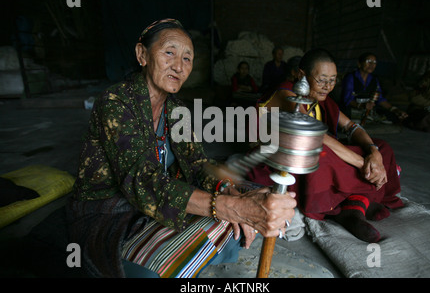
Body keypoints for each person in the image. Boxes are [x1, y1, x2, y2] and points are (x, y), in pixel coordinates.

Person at [66, 19, 296, 278]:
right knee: (154, 269)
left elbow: (197, 163)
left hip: (153, 208)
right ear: (142, 54)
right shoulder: (115, 103)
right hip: (112, 216)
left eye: (187, 58)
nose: (179, 65)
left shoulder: (177, 111)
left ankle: (189, 250)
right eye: (169, 53)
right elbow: (142, 181)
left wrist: (226, 190)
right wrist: (231, 207)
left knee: (243, 203)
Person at [248, 48, 404, 243]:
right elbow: (314, 134)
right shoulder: (285, 94)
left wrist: (374, 153)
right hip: (277, 157)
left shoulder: (324, 100)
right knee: (319, 153)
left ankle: (355, 204)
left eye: (332, 80)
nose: (327, 86)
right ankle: (354, 202)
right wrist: (361, 162)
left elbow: (350, 126)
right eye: (322, 80)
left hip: (318, 151)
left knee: (383, 146)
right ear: (301, 75)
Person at [341, 52, 408, 124]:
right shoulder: (351, 77)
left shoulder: (374, 79)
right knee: (346, 116)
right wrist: (362, 105)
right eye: (368, 61)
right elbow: (347, 99)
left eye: (374, 62)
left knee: (394, 116)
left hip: (368, 110)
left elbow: (380, 99)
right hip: (353, 108)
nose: (371, 65)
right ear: (359, 63)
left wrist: (395, 110)